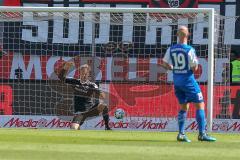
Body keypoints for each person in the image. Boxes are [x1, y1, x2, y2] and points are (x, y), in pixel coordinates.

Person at [161, 26, 216, 142]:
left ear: (177, 35)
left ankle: (181, 134)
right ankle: (202, 134)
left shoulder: (171, 49)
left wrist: (173, 68)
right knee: (200, 105)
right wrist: (193, 66)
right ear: (188, 35)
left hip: (177, 82)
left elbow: (164, 63)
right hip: (188, 81)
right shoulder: (189, 49)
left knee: (184, 107)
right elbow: (194, 68)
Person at [55, 62, 111, 130]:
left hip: (90, 110)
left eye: (85, 73)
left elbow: (102, 96)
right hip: (79, 113)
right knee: (73, 128)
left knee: (104, 105)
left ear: (88, 74)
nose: (83, 75)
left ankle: (107, 127)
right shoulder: (74, 82)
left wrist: (99, 93)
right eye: (82, 73)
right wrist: (65, 68)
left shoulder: (92, 85)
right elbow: (61, 78)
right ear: (80, 73)